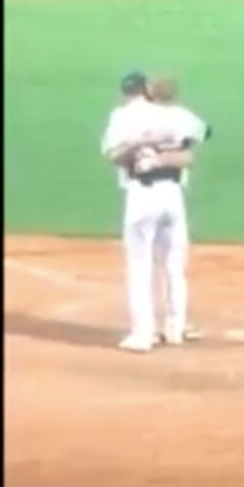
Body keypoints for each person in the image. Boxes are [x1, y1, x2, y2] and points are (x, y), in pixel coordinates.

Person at [100, 72, 209, 352]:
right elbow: (201, 136)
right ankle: (176, 327)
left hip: (141, 195)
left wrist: (136, 148)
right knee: (174, 264)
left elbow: (113, 155)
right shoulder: (176, 115)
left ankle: (142, 334)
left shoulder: (122, 117)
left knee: (139, 265)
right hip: (172, 195)